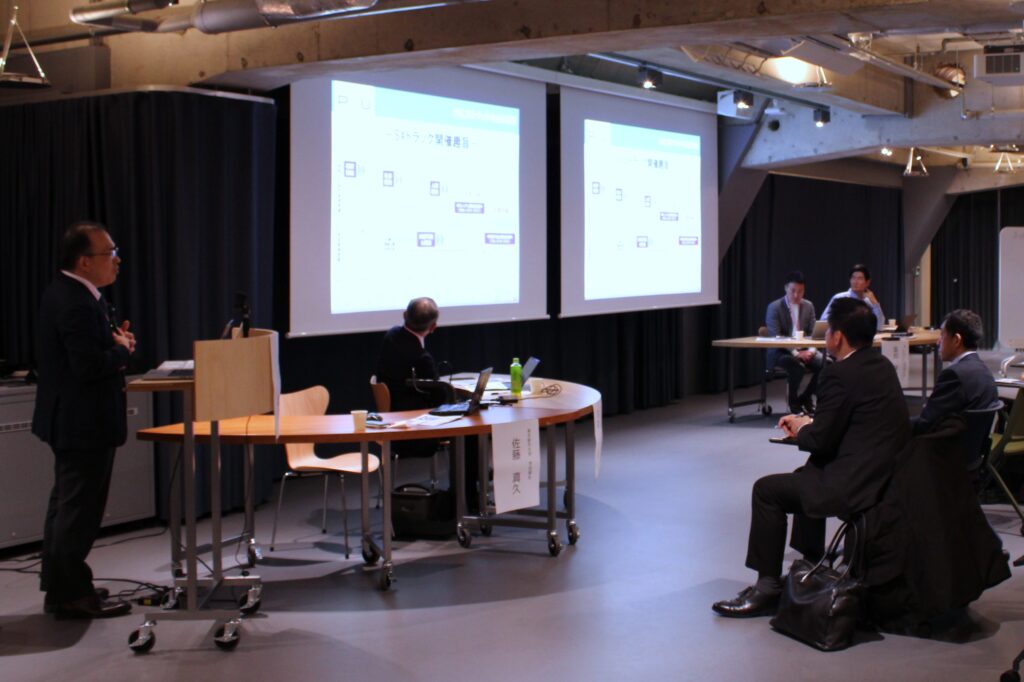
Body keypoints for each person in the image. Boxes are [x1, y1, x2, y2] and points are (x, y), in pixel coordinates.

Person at [712, 298, 910, 618]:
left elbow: (820, 441)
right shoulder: (882, 367)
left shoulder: (840, 374)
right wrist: (811, 424)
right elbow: (851, 421)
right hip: (884, 478)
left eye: (828, 330)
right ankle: (809, 566)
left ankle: (767, 586)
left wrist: (800, 428)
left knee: (767, 490)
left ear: (838, 337)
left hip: (853, 485)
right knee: (806, 475)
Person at [32, 221, 135, 619]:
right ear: (84, 261)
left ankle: (62, 587)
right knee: (77, 512)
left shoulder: (73, 293)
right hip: (82, 424)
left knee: (66, 507)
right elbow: (87, 366)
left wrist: (114, 343)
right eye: (110, 253)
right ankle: (72, 594)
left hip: (74, 421)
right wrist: (122, 352)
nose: (117, 260)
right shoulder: (74, 301)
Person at [911, 309, 997, 436]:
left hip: (946, 446)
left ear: (956, 340)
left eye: (942, 335)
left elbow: (926, 423)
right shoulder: (985, 371)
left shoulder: (954, 375)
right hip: (974, 445)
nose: (938, 342)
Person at [764, 271, 823, 414]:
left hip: (805, 350)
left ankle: (806, 396)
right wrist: (796, 353)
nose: (796, 295)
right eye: (793, 291)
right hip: (780, 351)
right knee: (797, 366)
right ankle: (793, 402)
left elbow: (813, 333)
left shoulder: (808, 306)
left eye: (800, 291)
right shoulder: (774, 307)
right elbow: (776, 337)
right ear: (786, 288)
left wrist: (811, 351)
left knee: (827, 363)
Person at [375, 297, 445, 411]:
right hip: (410, 412)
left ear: (404, 315)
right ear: (433, 327)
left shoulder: (391, 335)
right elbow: (438, 397)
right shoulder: (422, 358)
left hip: (391, 407)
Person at [822, 263, 885, 330]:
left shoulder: (868, 302)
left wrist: (875, 303)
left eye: (860, 278)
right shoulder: (840, 298)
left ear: (867, 283)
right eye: (853, 278)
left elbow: (879, 326)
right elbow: (823, 321)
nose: (855, 282)